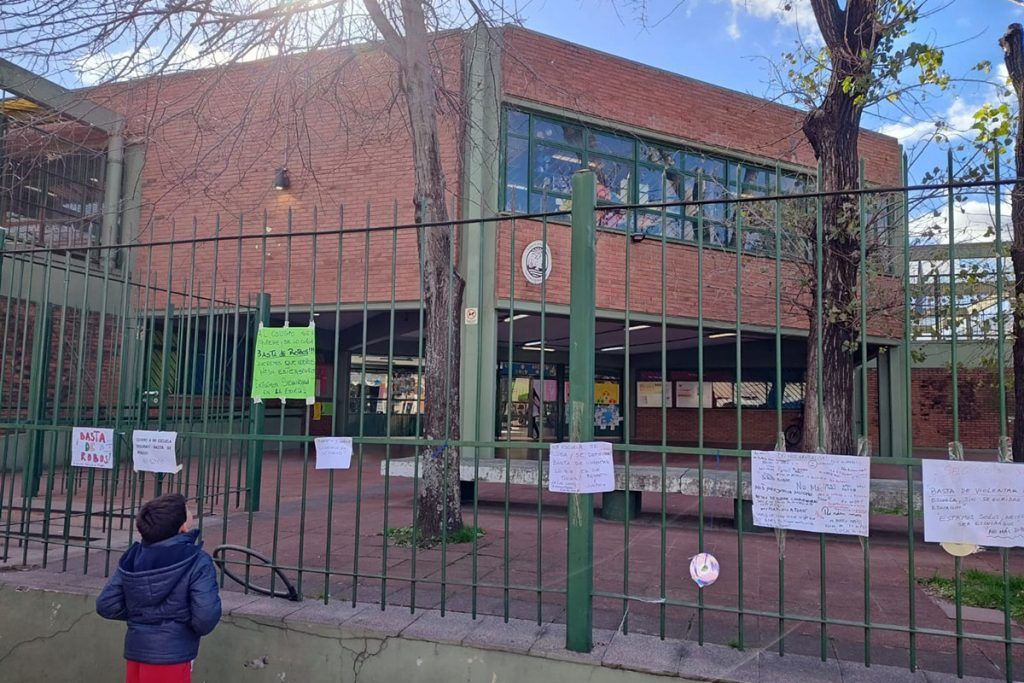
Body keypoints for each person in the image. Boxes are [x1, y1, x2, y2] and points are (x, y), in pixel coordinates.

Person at [97, 494, 222, 683]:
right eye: (187, 510)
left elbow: (107, 604)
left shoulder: (133, 558)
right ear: (183, 527)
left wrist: (140, 616)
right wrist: (180, 623)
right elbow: (205, 617)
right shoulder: (198, 561)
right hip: (173, 655)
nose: (190, 512)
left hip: (136, 652)